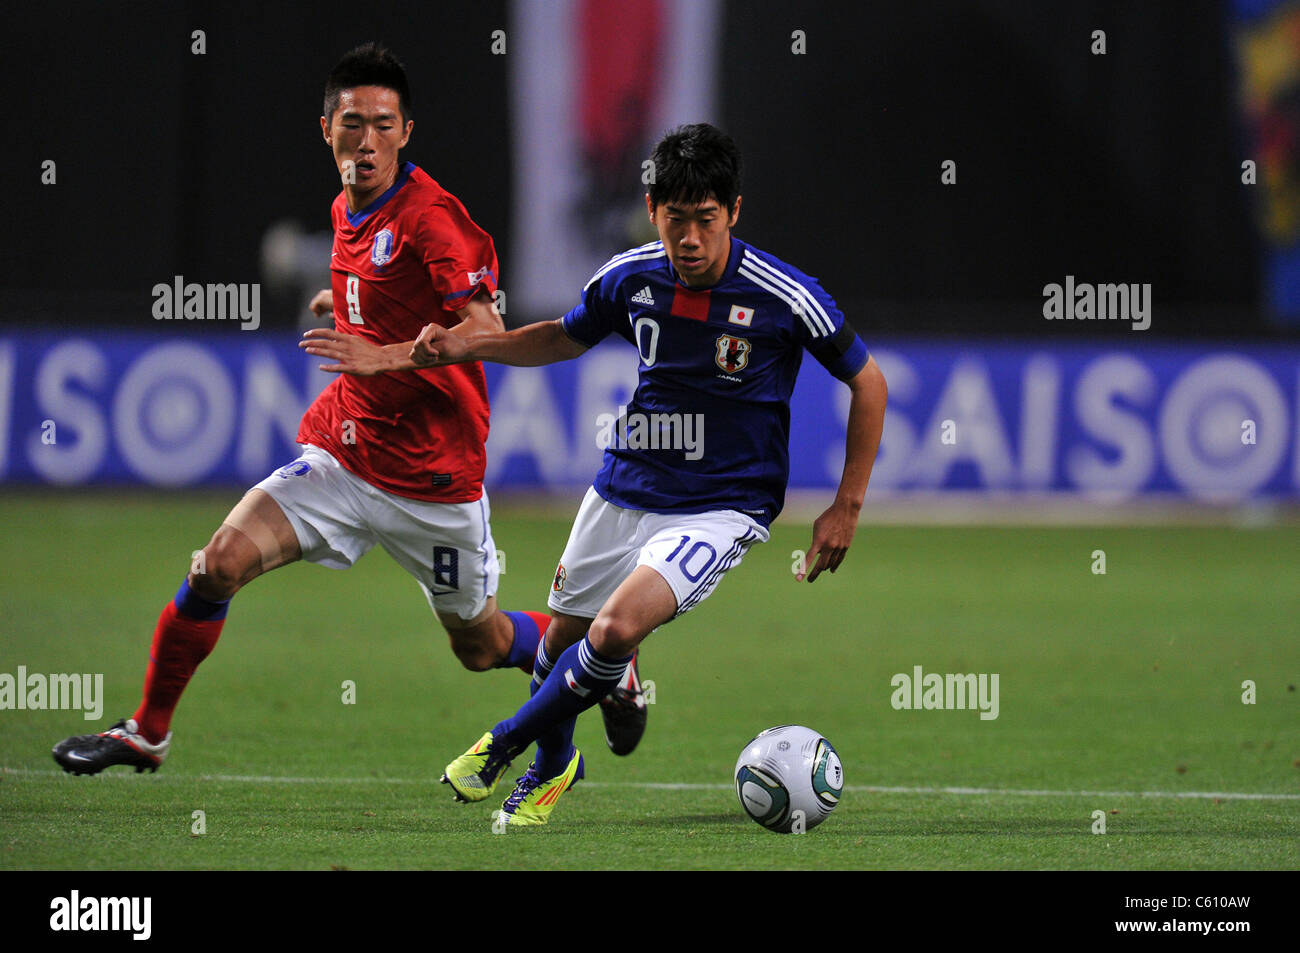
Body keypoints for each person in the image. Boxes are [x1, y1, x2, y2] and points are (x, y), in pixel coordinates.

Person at [52, 43, 642, 776]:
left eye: (384, 125)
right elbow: (387, 291)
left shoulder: (434, 219)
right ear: (325, 128)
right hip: (343, 452)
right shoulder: (346, 207)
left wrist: (384, 352)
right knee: (215, 567)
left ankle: (613, 664)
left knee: (480, 646)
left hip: (433, 480)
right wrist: (353, 307)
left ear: (407, 131)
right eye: (352, 123)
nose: (367, 141)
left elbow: (487, 333)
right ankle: (146, 732)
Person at [391, 122, 889, 826]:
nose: (688, 238)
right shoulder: (629, 277)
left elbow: (868, 382)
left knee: (617, 627)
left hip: (723, 504)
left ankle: (507, 746)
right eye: (674, 219)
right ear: (653, 211)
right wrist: (469, 347)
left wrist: (847, 507)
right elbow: (564, 336)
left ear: (734, 212)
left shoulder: (784, 294)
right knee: (563, 643)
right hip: (624, 486)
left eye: (705, 221)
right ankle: (559, 762)